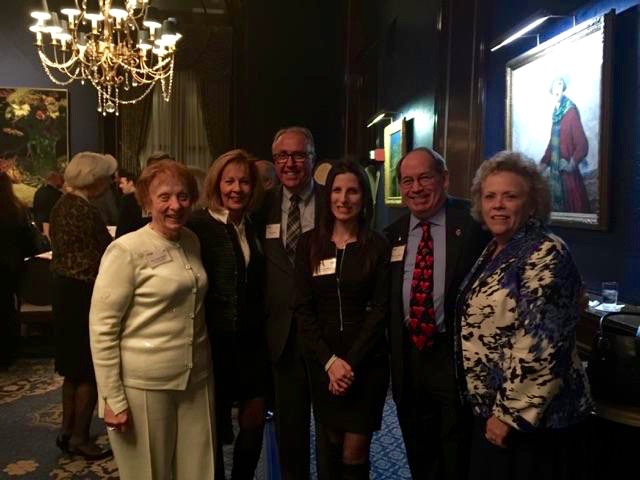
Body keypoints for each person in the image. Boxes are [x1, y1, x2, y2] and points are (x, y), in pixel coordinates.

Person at [458, 150, 593, 479]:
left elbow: (541, 344)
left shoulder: (546, 251)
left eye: (510, 196)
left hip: (534, 423)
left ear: (532, 204)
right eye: (490, 196)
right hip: (495, 411)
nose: (498, 205)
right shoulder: (495, 248)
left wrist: (509, 414)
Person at [89, 160, 215, 479]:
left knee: (199, 471)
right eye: (164, 197)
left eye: (183, 196)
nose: (175, 205)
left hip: (196, 380)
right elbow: (102, 328)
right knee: (148, 473)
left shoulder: (191, 240)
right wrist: (112, 397)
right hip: (144, 385)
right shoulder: (126, 250)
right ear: (147, 200)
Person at [383, 147, 488, 480]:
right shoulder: (392, 235)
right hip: (408, 358)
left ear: (444, 179)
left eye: (424, 178)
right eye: (407, 181)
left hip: (453, 355)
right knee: (418, 446)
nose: (415, 188)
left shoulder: (474, 224)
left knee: (457, 447)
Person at [295, 160, 390, 479]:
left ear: (364, 197)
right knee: (333, 446)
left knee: (354, 453)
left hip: (366, 364)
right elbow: (303, 309)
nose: (344, 199)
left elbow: (380, 310)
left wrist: (349, 365)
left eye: (353, 191)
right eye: (337, 190)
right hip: (323, 362)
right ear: (328, 196)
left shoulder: (378, 245)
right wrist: (329, 362)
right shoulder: (309, 244)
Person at [188, 149, 267, 480]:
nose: (237, 188)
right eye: (229, 181)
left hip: (252, 342)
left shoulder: (253, 225)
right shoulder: (196, 226)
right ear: (216, 184)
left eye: (244, 182)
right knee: (213, 427)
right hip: (212, 342)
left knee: (255, 418)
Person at [258, 126, 323, 479]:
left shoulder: (335, 200)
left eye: (299, 155)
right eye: (282, 156)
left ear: (312, 158)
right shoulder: (261, 205)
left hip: (327, 334)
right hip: (281, 335)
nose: (290, 163)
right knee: (290, 430)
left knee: (331, 429)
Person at [49, 152, 115, 459]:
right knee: (88, 369)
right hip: (84, 293)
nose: (109, 183)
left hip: (64, 291)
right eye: (105, 178)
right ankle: (81, 437)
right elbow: (107, 249)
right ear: (94, 180)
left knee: (71, 369)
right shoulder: (86, 210)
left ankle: (67, 431)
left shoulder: (61, 204)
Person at [0, 172, 41, 369]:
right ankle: (7, 353)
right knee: (7, 308)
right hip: (10, 267)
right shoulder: (16, 211)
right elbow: (30, 244)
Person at [540, 77, 590, 213]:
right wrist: (541, 167)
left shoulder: (570, 111)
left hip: (569, 178)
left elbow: (582, 144)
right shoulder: (556, 113)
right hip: (555, 174)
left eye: (560, 84)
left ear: (563, 88)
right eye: (555, 85)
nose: (558, 88)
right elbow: (552, 144)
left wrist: (571, 164)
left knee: (574, 211)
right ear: (551, 89)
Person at [32, 171, 63, 237]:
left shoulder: (39, 191)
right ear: (56, 180)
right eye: (60, 179)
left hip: (37, 226)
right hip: (50, 230)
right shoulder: (57, 195)